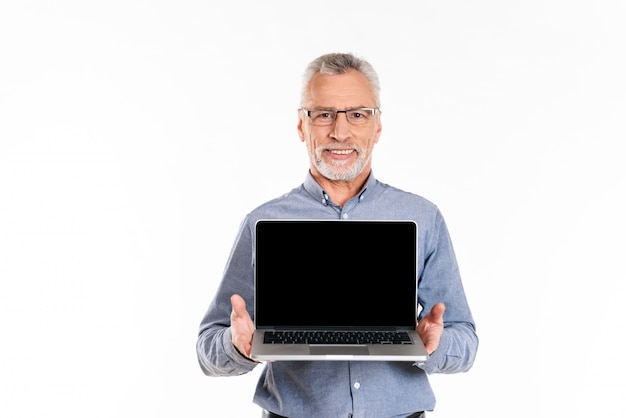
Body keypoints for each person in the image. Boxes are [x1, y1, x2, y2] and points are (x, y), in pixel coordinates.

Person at [196, 52, 478, 418]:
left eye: (357, 115)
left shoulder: (422, 217)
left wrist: (434, 345)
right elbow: (208, 349)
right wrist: (236, 345)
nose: (340, 132)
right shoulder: (262, 222)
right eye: (324, 114)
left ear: (377, 127)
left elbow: (465, 340)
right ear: (302, 125)